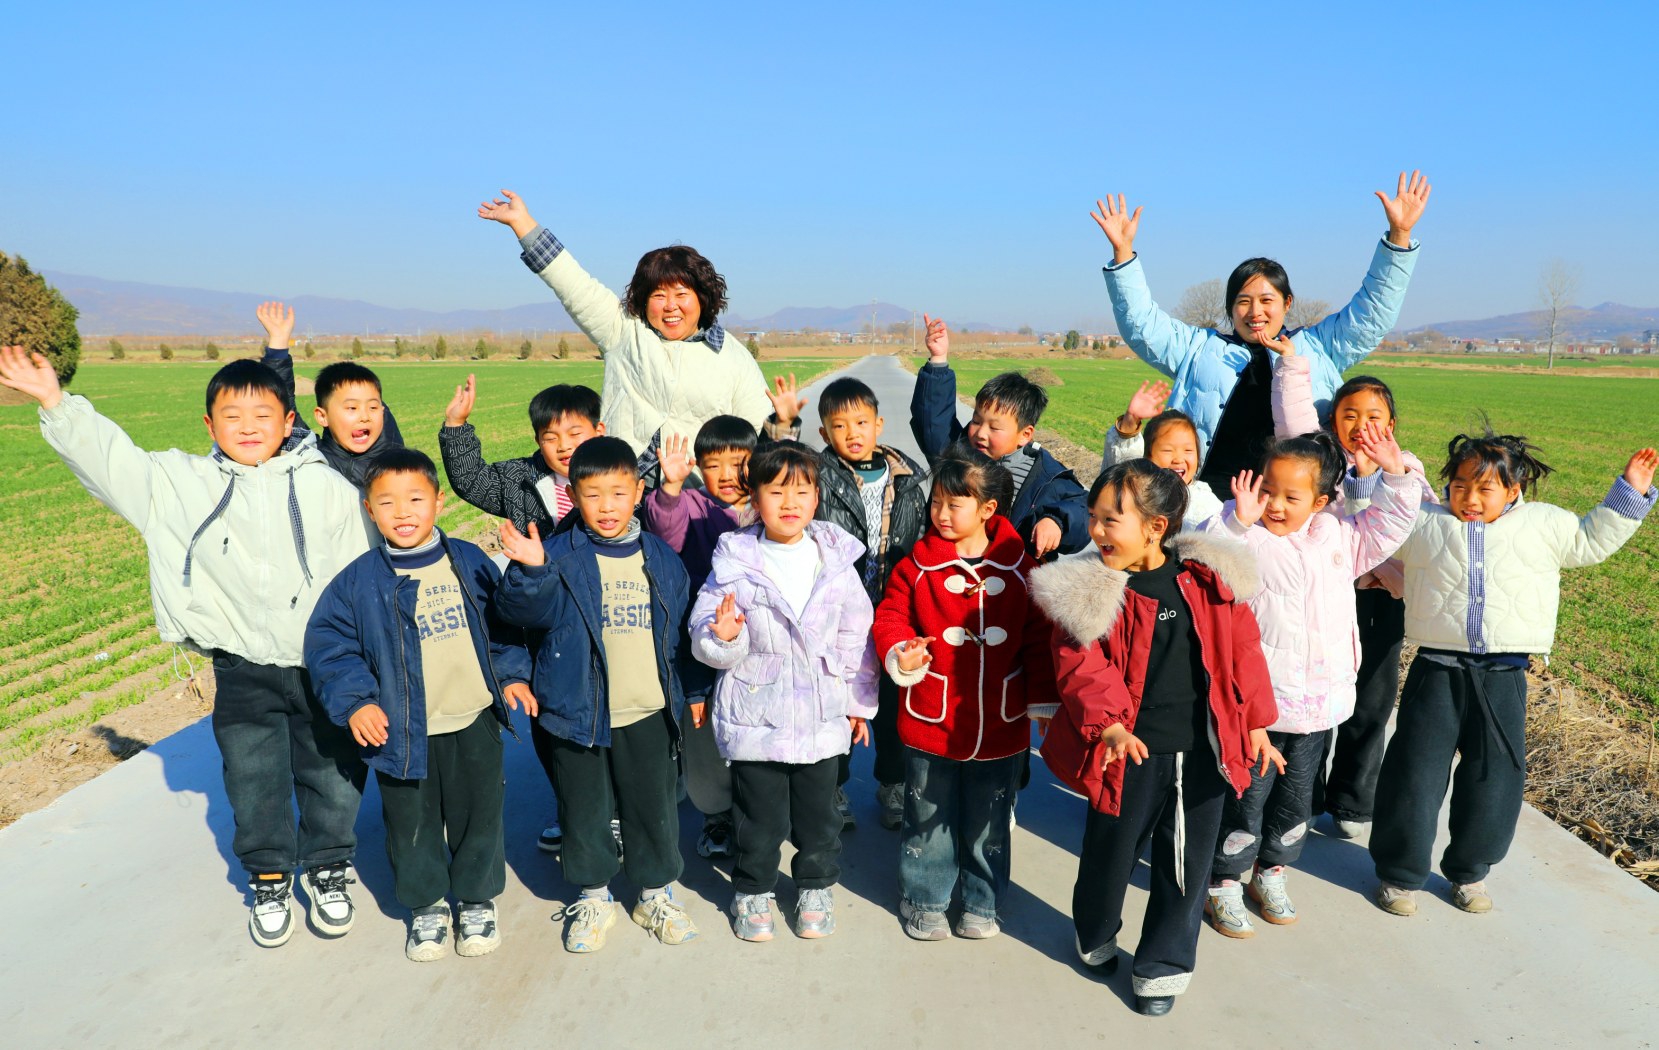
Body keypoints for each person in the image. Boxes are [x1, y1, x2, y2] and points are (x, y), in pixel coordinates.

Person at [0, 345, 374, 948]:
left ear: (288, 422)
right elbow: (113, 463)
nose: (247, 427)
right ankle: (271, 877)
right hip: (241, 667)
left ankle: (328, 867)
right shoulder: (178, 484)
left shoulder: (327, 487)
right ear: (209, 425)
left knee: (332, 771)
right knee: (253, 779)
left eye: (262, 415)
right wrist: (56, 403)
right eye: (232, 416)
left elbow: (362, 570)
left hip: (321, 665)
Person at [1370, 434, 1656, 917]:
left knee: (1494, 778)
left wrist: (1629, 491)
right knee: (1413, 775)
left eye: (1485, 488)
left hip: (1504, 674)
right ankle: (1399, 875)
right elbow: (1376, 528)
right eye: (1460, 486)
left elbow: (1591, 540)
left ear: (1513, 489)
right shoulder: (1425, 523)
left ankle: (1469, 872)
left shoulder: (1543, 524)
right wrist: (1380, 475)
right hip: (1436, 670)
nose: (1470, 498)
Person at [1031, 460, 1277, 1017]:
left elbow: (1243, 651)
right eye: (1093, 517)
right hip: (1127, 753)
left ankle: (1162, 968)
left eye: (1110, 520)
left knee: (1185, 866)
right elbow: (1079, 664)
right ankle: (1095, 932)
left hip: (1203, 750)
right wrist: (1111, 724)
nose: (1096, 530)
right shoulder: (1092, 589)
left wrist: (1256, 723)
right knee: (1110, 855)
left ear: (1155, 527)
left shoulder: (1206, 580)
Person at [304, 449, 536, 962]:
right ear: (369, 510)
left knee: (479, 815)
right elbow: (330, 647)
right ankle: (426, 905)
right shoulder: (358, 581)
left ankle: (475, 900)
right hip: (402, 730)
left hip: (473, 717)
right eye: (387, 503)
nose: (403, 512)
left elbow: (502, 627)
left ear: (437, 501)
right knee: (411, 823)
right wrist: (357, 703)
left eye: (415, 499)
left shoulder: (469, 562)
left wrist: (513, 675)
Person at [1197, 419, 1421, 938]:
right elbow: (1203, 559)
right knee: (1246, 796)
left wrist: (1396, 476)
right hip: (1261, 707)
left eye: (1291, 497)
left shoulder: (1339, 538)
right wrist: (1236, 522)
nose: (1275, 505)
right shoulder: (1246, 537)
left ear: (1320, 502)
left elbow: (1388, 525)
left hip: (1319, 705)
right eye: (1267, 491)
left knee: (1296, 800)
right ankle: (1224, 879)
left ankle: (1271, 871)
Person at [1090, 171, 1433, 497]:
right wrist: (1123, 254)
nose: (1255, 312)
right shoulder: (1198, 349)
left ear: (1287, 303)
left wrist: (1399, 236)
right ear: (1230, 308)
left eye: (1267, 300)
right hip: (1207, 503)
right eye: (1243, 302)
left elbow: (1372, 312)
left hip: (1293, 507)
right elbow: (1142, 325)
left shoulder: (1317, 346)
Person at [495, 436, 699, 952]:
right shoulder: (555, 554)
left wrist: (693, 690)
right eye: (592, 494)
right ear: (574, 496)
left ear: (638, 493)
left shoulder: (661, 558)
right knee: (583, 810)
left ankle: (654, 893)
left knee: (652, 807)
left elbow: (679, 633)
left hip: (647, 709)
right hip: (576, 712)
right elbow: (519, 616)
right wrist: (533, 571)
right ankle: (593, 895)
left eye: (618, 493)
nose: (606, 506)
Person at [690, 442, 878, 942]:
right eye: (776, 492)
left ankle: (815, 887)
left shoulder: (836, 561)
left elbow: (856, 636)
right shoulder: (735, 561)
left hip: (821, 714)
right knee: (759, 816)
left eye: (801, 491)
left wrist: (858, 703)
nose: (789, 502)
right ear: (755, 498)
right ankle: (753, 890)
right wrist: (723, 636)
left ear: (817, 498)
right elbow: (705, 628)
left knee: (820, 816)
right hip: (757, 717)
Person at [873, 449, 1055, 940]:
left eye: (955, 505)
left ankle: (982, 902)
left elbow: (1039, 639)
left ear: (988, 509)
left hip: (1000, 722)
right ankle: (924, 898)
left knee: (989, 821)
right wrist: (901, 651)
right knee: (925, 815)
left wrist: (1042, 700)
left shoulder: (1021, 570)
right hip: (932, 719)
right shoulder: (917, 566)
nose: (941, 514)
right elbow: (891, 616)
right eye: (936, 502)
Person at [476, 189, 772, 468]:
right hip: (620, 485)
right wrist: (522, 223)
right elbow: (574, 285)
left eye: (681, 294)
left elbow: (758, 433)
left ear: (702, 298)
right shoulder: (624, 330)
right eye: (658, 296)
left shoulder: (732, 356)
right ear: (643, 300)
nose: (670, 306)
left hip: (695, 493)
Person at [1270, 354, 1437, 837]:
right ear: (1331, 422)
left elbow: (1413, 532)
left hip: (1382, 602)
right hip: (1326, 599)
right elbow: (1292, 417)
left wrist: (1378, 477)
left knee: (1372, 703)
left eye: (1373, 416)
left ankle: (1352, 800)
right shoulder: (1319, 466)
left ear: (1392, 425)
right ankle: (1305, 795)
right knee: (1317, 695)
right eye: (1349, 415)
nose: (1361, 426)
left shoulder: (1406, 470)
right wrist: (1291, 366)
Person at [440, 377, 607, 854]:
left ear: (599, 431)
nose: (564, 446)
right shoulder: (520, 480)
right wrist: (456, 427)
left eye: (575, 434)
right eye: (551, 438)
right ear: (537, 441)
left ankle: (612, 811)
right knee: (550, 720)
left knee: (606, 714)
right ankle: (570, 809)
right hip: (541, 623)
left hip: (597, 617)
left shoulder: (615, 473)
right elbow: (471, 481)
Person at [765, 374, 930, 831]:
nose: (852, 433)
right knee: (835, 702)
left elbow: (921, 540)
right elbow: (779, 470)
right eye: (839, 426)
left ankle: (892, 782)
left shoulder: (908, 479)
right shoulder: (819, 474)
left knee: (895, 705)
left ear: (879, 425)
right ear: (823, 433)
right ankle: (833, 787)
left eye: (861, 422)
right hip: (836, 614)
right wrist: (783, 426)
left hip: (895, 612)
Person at [640, 417, 758, 859]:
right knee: (705, 734)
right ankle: (717, 816)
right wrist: (670, 488)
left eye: (739, 462)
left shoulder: (767, 505)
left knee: (756, 735)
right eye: (712, 465)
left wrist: (785, 427)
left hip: (759, 649)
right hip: (702, 646)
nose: (726, 475)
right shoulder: (690, 504)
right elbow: (665, 529)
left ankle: (758, 814)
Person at [910, 314, 1090, 559]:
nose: (980, 433)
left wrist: (1056, 521)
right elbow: (932, 420)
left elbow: (1084, 509)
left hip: (1014, 578)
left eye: (994, 428)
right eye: (976, 421)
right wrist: (938, 360)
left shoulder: (1046, 476)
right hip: (948, 572)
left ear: (1024, 434)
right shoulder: (958, 454)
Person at [255, 301, 405, 487]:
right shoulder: (314, 457)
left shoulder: (397, 466)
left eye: (373, 407)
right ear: (322, 416)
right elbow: (279, 405)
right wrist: (278, 344)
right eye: (352, 408)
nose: (365, 416)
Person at [1101, 379, 1223, 528]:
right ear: (1147, 456)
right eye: (1168, 450)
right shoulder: (1138, 489)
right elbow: (1122, 462)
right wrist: (1130, 421)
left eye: (1188, 450)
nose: (1179, 459)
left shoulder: (1206, 501)